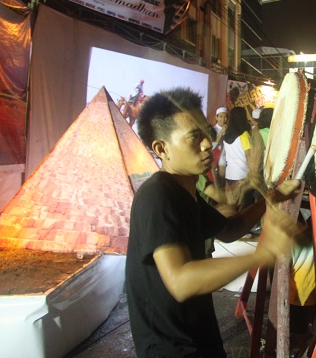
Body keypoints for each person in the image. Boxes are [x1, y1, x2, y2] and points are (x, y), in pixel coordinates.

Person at [126, 87, 301, 358]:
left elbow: (230, 230)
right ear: (162, 149)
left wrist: (273, 198)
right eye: (194, 137)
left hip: (199, 337)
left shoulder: (187, 193)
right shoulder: (157, 197)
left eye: (205, 131)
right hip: (172, 349)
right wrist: (265, 253)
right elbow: (181, 280)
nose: (208, 143)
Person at [219, 106, 255, 209]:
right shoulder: (244, 135)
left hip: (230, 174)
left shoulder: (226, 136)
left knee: (232, 204)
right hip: (242, 174)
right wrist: (252, 174)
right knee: (243, 205)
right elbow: (249, 156)